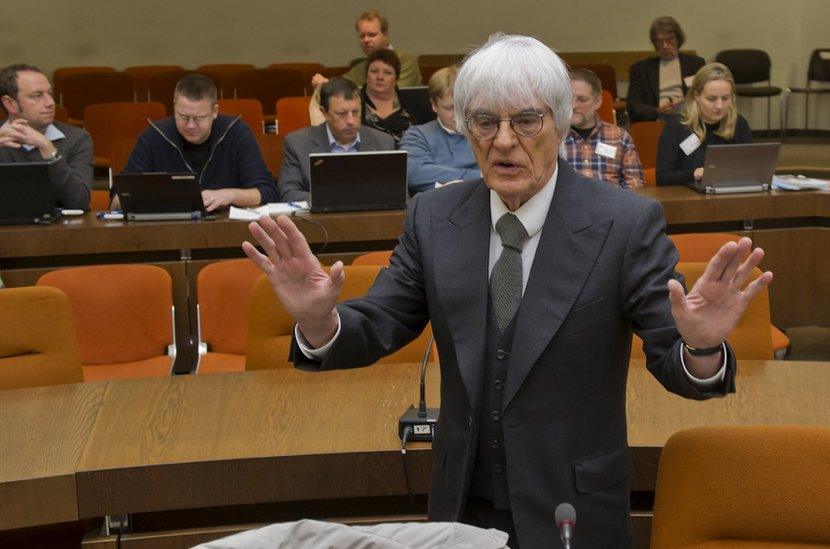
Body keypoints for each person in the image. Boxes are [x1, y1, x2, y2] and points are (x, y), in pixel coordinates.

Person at [243, 34, 771, 548]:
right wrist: (319, 321)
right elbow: (380, 322)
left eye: (525, 120)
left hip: (572, 510)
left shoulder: (624, 224)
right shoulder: (434, 217)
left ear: (561, 123)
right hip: (462, 509)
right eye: (484, 121)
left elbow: (674, 357)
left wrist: (700, 346)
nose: (502, 141)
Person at [120, 74, 276, 211]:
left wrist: (230, 195)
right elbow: (118, 198)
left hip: (224, 230)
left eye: (199, 118)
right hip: (165, 232)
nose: (191, 125)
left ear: (214, 111)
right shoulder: (154, 136)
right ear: (174, 106)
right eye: (183, 117)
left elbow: (266, 192)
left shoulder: (235, 132)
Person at [278, 77, 395, 203]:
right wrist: (338, 199)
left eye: (356, 112)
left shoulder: (383, 142)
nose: (351, 121)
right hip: (320, 219)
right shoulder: (297, 143)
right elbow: (288, 193)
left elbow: (398, 193)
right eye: (342, 114)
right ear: (324, 113)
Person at [0, 63, 92, 210]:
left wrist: (49, 150)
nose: (50, 103)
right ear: (10, 104)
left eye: (50, 94)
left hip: (59, 230)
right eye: (37, 96)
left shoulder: (77, 138)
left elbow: (79, 202)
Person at [656, 63, 752, 186]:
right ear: (696, 96)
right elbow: (663, 177)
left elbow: (750, 169)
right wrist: (695, 174)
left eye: (725, 98)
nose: (719, 106)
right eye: (711, 99)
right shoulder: (677, 125)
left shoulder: (739, 124)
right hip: (688, 197)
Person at [399, 66, 480, 194]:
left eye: (462, 107)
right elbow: (415, 173)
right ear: (434, 105)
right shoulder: (417, 135)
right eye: (450, 108)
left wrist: (443, 177)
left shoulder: (486, 132)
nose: (458, 115)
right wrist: (479, 176)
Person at [564, 68, 645, 189]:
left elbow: (635, 184)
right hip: (568, 205)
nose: (574, 105)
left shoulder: (620, 137)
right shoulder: (554, 136)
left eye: (582, 99)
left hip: (612, 205)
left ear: (597, 102)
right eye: (569, 98)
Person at [627, 16, 705, 123]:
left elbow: (705, 96)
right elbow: (633, 106)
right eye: (660, 41)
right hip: (656, 120)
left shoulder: (695, 64)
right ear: (655, 44)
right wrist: (658, 111)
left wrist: (686, 102)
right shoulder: (641, 69)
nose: (665, 46)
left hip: (687, 117)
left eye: (670, 40)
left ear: (678, 39)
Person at [359, 48, 421, 143]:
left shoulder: (412, 103)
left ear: (396, 79)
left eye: (387, 73)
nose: (380, 77)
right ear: (366, 76)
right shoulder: (353, 104)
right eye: (374, 71)